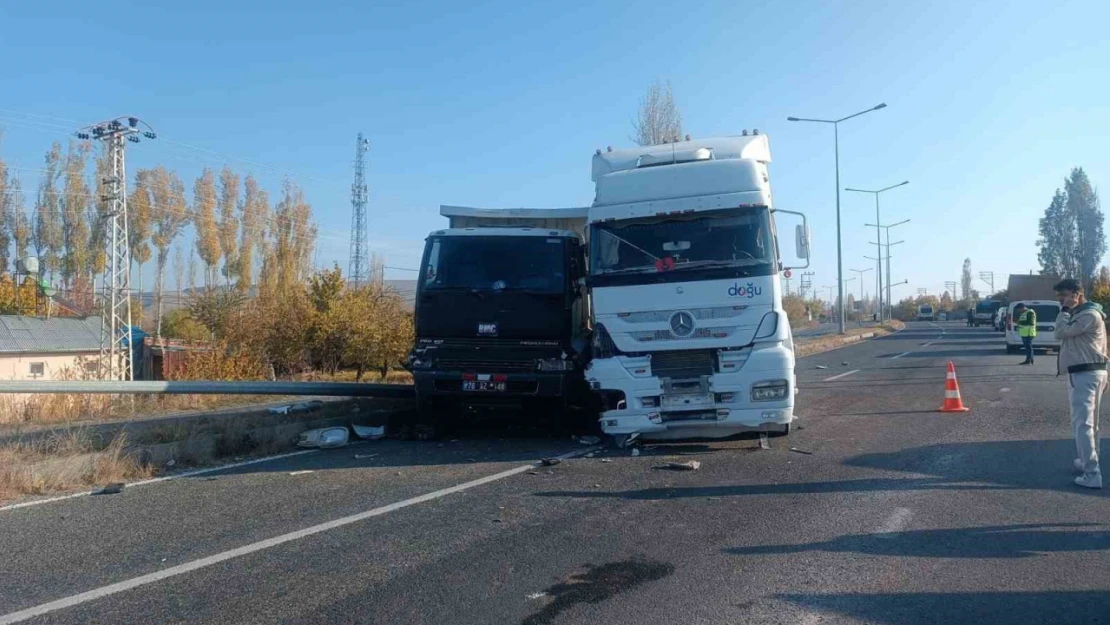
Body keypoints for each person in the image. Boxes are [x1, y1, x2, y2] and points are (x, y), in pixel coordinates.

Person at [1053, 278, 1107, 489]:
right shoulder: (1090, 314)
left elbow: (1060, 333)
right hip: (1094, 372)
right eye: (1059, 296)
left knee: (1082, 425)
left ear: (1077, 294)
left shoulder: (1087, 315)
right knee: (1091, 424)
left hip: (1085, 374)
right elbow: (1103, 346)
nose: (1061, 300)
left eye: (1064, 295)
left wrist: (1064, 311)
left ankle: (1092, 473)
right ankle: (1087, 462)